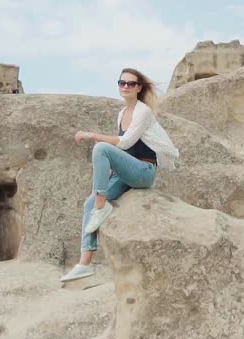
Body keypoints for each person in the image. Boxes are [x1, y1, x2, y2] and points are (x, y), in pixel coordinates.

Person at [60, 68, 179, 282]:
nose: (125, 87)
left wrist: (92, 135)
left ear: (139, 88)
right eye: (122, 83)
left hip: (143, 171)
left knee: (100, 148)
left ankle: (100, 205)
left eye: (131, 84)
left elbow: (125, 142)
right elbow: (123, 151)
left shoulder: (143, 111)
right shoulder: (121, 114)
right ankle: (85, 263)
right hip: (127, 172)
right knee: (88, 204)